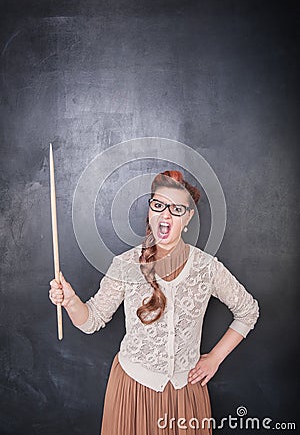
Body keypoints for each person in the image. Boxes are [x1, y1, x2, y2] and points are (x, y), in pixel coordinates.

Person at [49, 170, 259, 435]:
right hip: (132, 393)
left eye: (177, 208)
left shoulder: (207, 268)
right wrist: (70, 300)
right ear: (149, 211)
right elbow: (92, 320)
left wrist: (215, 359)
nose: (166, 215)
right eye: (158, 205)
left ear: (188, 217)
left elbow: (248, 311)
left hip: (186, 396)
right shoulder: (125, 265)